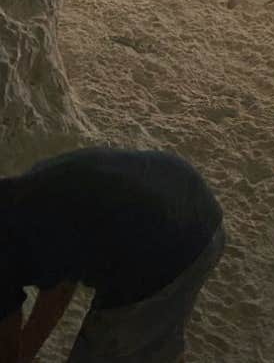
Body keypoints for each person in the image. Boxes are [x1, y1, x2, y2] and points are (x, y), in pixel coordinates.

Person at [0, 146, 225, 363]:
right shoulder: (22, 196)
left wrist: (20, 355)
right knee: (152, 346)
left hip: (170, 244)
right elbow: (58, 289)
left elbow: (7, 348)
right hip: (193, 201)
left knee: (107, 349)